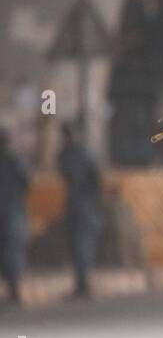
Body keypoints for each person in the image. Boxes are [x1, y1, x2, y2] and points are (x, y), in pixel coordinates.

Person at [57, 122, 100, 298]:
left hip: (82, 207)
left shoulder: (71, 155)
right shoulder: (75, 155)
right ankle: (81, 284)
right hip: (80, 206)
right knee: (79, 246)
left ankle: (83, 285)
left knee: (81, 246)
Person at [0, 127, 30, 307]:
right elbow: (26, 183)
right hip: (13, 214)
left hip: (10, 214)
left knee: (9, 254)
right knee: (12, 253)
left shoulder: (14, 161)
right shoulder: (16, 161)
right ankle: (14, 292)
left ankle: (13, 292)